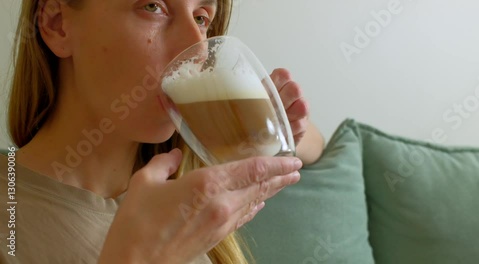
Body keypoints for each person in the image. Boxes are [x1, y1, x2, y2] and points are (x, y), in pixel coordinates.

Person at [0, 0, 324, 263]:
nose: (198, 52)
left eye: (200, 17)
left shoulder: (187, 184)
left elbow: (315, 144)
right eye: (153, 7)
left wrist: (278, 123)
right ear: (57, 24)